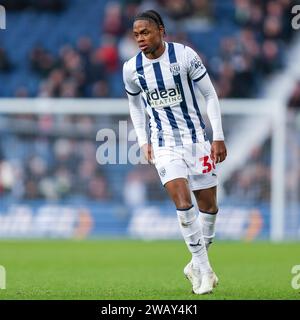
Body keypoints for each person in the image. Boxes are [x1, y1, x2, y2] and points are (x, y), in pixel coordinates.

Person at [122, 10, 227, 295]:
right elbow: (135, 106)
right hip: (164, 144)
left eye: (145, 32)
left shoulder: (185, 56)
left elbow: (210, 95)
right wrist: (144, 140)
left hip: (197, 141)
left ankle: (195, 263)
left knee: (209, 208)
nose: (140, 39)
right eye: (136, 35)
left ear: (161, 30)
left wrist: (217, 136)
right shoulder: (131, 69)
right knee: (183, 202)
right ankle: (205, 272)